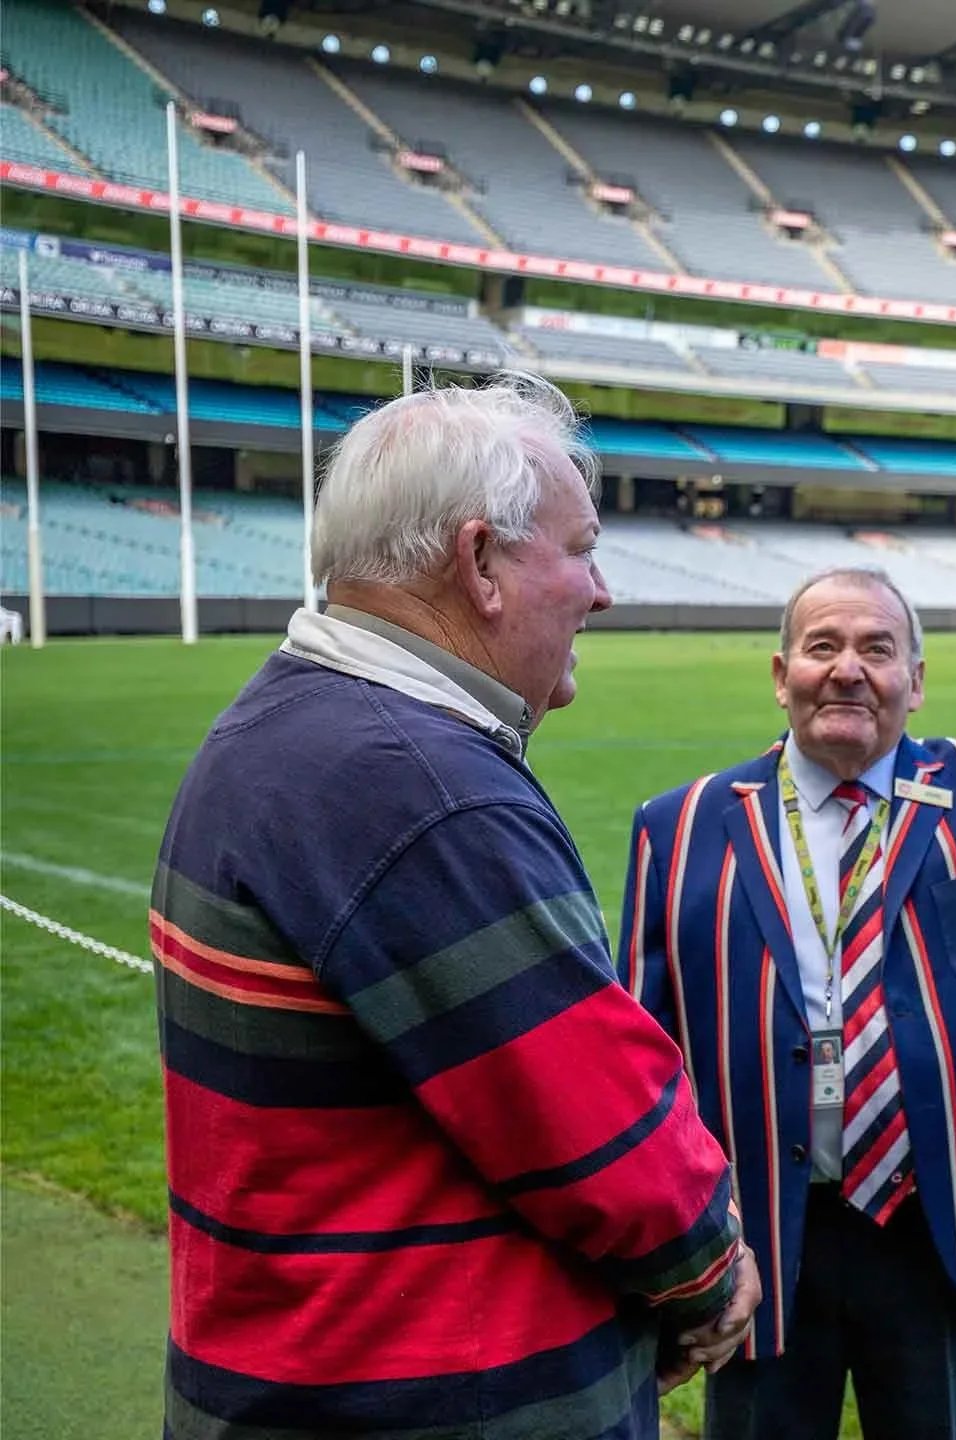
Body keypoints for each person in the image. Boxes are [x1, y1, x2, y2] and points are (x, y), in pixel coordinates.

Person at [150, 374, 756, 1438]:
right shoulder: (421, 790)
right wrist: (711, 1279)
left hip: (294, 1370)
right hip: (420, 1394)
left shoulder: (285, 720)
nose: (600, 590)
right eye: (580, 548)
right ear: (480, 561)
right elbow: (607, 1144)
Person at [622, 567, 956, 1440]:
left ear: (916, 684)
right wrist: (685, 1233)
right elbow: (642, 1058)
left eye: (878, 649)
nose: (848, 669)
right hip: (764, 1230)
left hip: (938, 1222)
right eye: (823, 647)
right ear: (780, 675)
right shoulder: (681, 826)